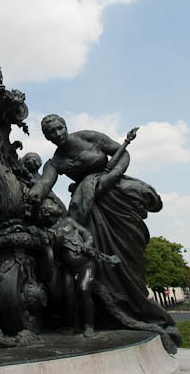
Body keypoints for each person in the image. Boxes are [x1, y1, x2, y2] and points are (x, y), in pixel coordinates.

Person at [29, 114, 180, 352]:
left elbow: (123, 153)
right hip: (90, 206)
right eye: (51, 134)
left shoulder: (90, 137)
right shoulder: (55, 162)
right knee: (100, 257)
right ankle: (110, 309)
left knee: (129, 250)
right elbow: (45, 183)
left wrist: (112, 177)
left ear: (65, 126)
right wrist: (36, 192)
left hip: (115, 193)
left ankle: (138, 302)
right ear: (47, 139)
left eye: (59, 129)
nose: (57, 135)